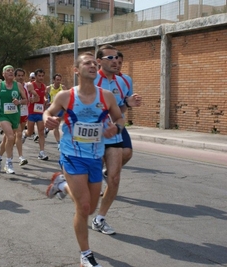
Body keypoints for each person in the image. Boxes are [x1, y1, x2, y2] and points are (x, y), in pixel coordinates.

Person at [44, 52, 124, 267]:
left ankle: (61, 185)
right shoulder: (66, 96)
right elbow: (48, 112)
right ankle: (86, 254)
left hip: (95, 157)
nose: (92, 65)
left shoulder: (106, 96)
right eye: (87, 63)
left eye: (94, 63)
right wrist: (48, 120)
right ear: (76, 70)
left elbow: (119, 117)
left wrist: (116, 127)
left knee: (90, 209)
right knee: (84, 206)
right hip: (72, 155)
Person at [91, 45, 141, 235]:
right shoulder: (91, 79)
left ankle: (100, 219)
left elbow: (121, 110)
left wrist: (126, 106)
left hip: (114, 131)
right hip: (92, 132)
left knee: (115, 176)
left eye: (116, 58)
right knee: (88, 180)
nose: (115, 61)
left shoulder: (124, 81)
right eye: (110, 57)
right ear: (99, 61)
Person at [0, 65, 27, 174]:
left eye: (12, 71)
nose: (10, 72)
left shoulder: (18, 86)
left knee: (6, 139)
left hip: (15, 115)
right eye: (8, 71)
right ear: (3, 74)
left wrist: (19, 102)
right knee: (10, 136)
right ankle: (8, 163)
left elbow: (25, 100)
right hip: (3, 115)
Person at [116, 51, 142, 167]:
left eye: (120, 62)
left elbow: (127, 100)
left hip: (117, 122)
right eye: (114, 61)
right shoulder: (97, 78)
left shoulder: (126, 80)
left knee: (127, 152)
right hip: (99, 123)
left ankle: (108, 172)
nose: (116, 64)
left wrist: (132, 101)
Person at [22, 69, 49, 160]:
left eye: (42, 76)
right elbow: (28, 95)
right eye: (39, 76)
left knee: (41, 132)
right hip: (31, 111)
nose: (41, 78)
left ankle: (41, 152)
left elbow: (42, 96)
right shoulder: (30, 85)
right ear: (36, 76)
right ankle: (25, 135)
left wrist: (45, 100)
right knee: (30, 132)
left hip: (40, 111)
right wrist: (32, 99)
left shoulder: (44, 86)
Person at [45, 73, 67, 149]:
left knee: (56, 125)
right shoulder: (49, 88)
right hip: (52, 109)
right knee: (56, 126)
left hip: (60, 109)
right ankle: (58, 142)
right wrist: (46, 101)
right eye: (57, 80)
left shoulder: (63, 87)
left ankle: (48, 130)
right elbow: (44, 96)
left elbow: (67, 97)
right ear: (53, 80)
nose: (58, 81)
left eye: (60, 80)